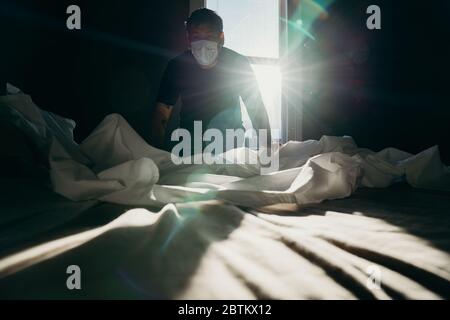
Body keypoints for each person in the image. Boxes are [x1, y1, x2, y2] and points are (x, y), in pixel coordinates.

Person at [152, 8, 272, 154]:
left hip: (231, 142)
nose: (203, 45)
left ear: (221, 37)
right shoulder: (178, 66)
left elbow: (256, 109)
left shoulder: (237, 63)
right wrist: (157, 154)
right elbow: (162, 112)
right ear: (188, 39)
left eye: (209, 36)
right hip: (190, 143)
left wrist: (268, 150)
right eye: (196, 37)